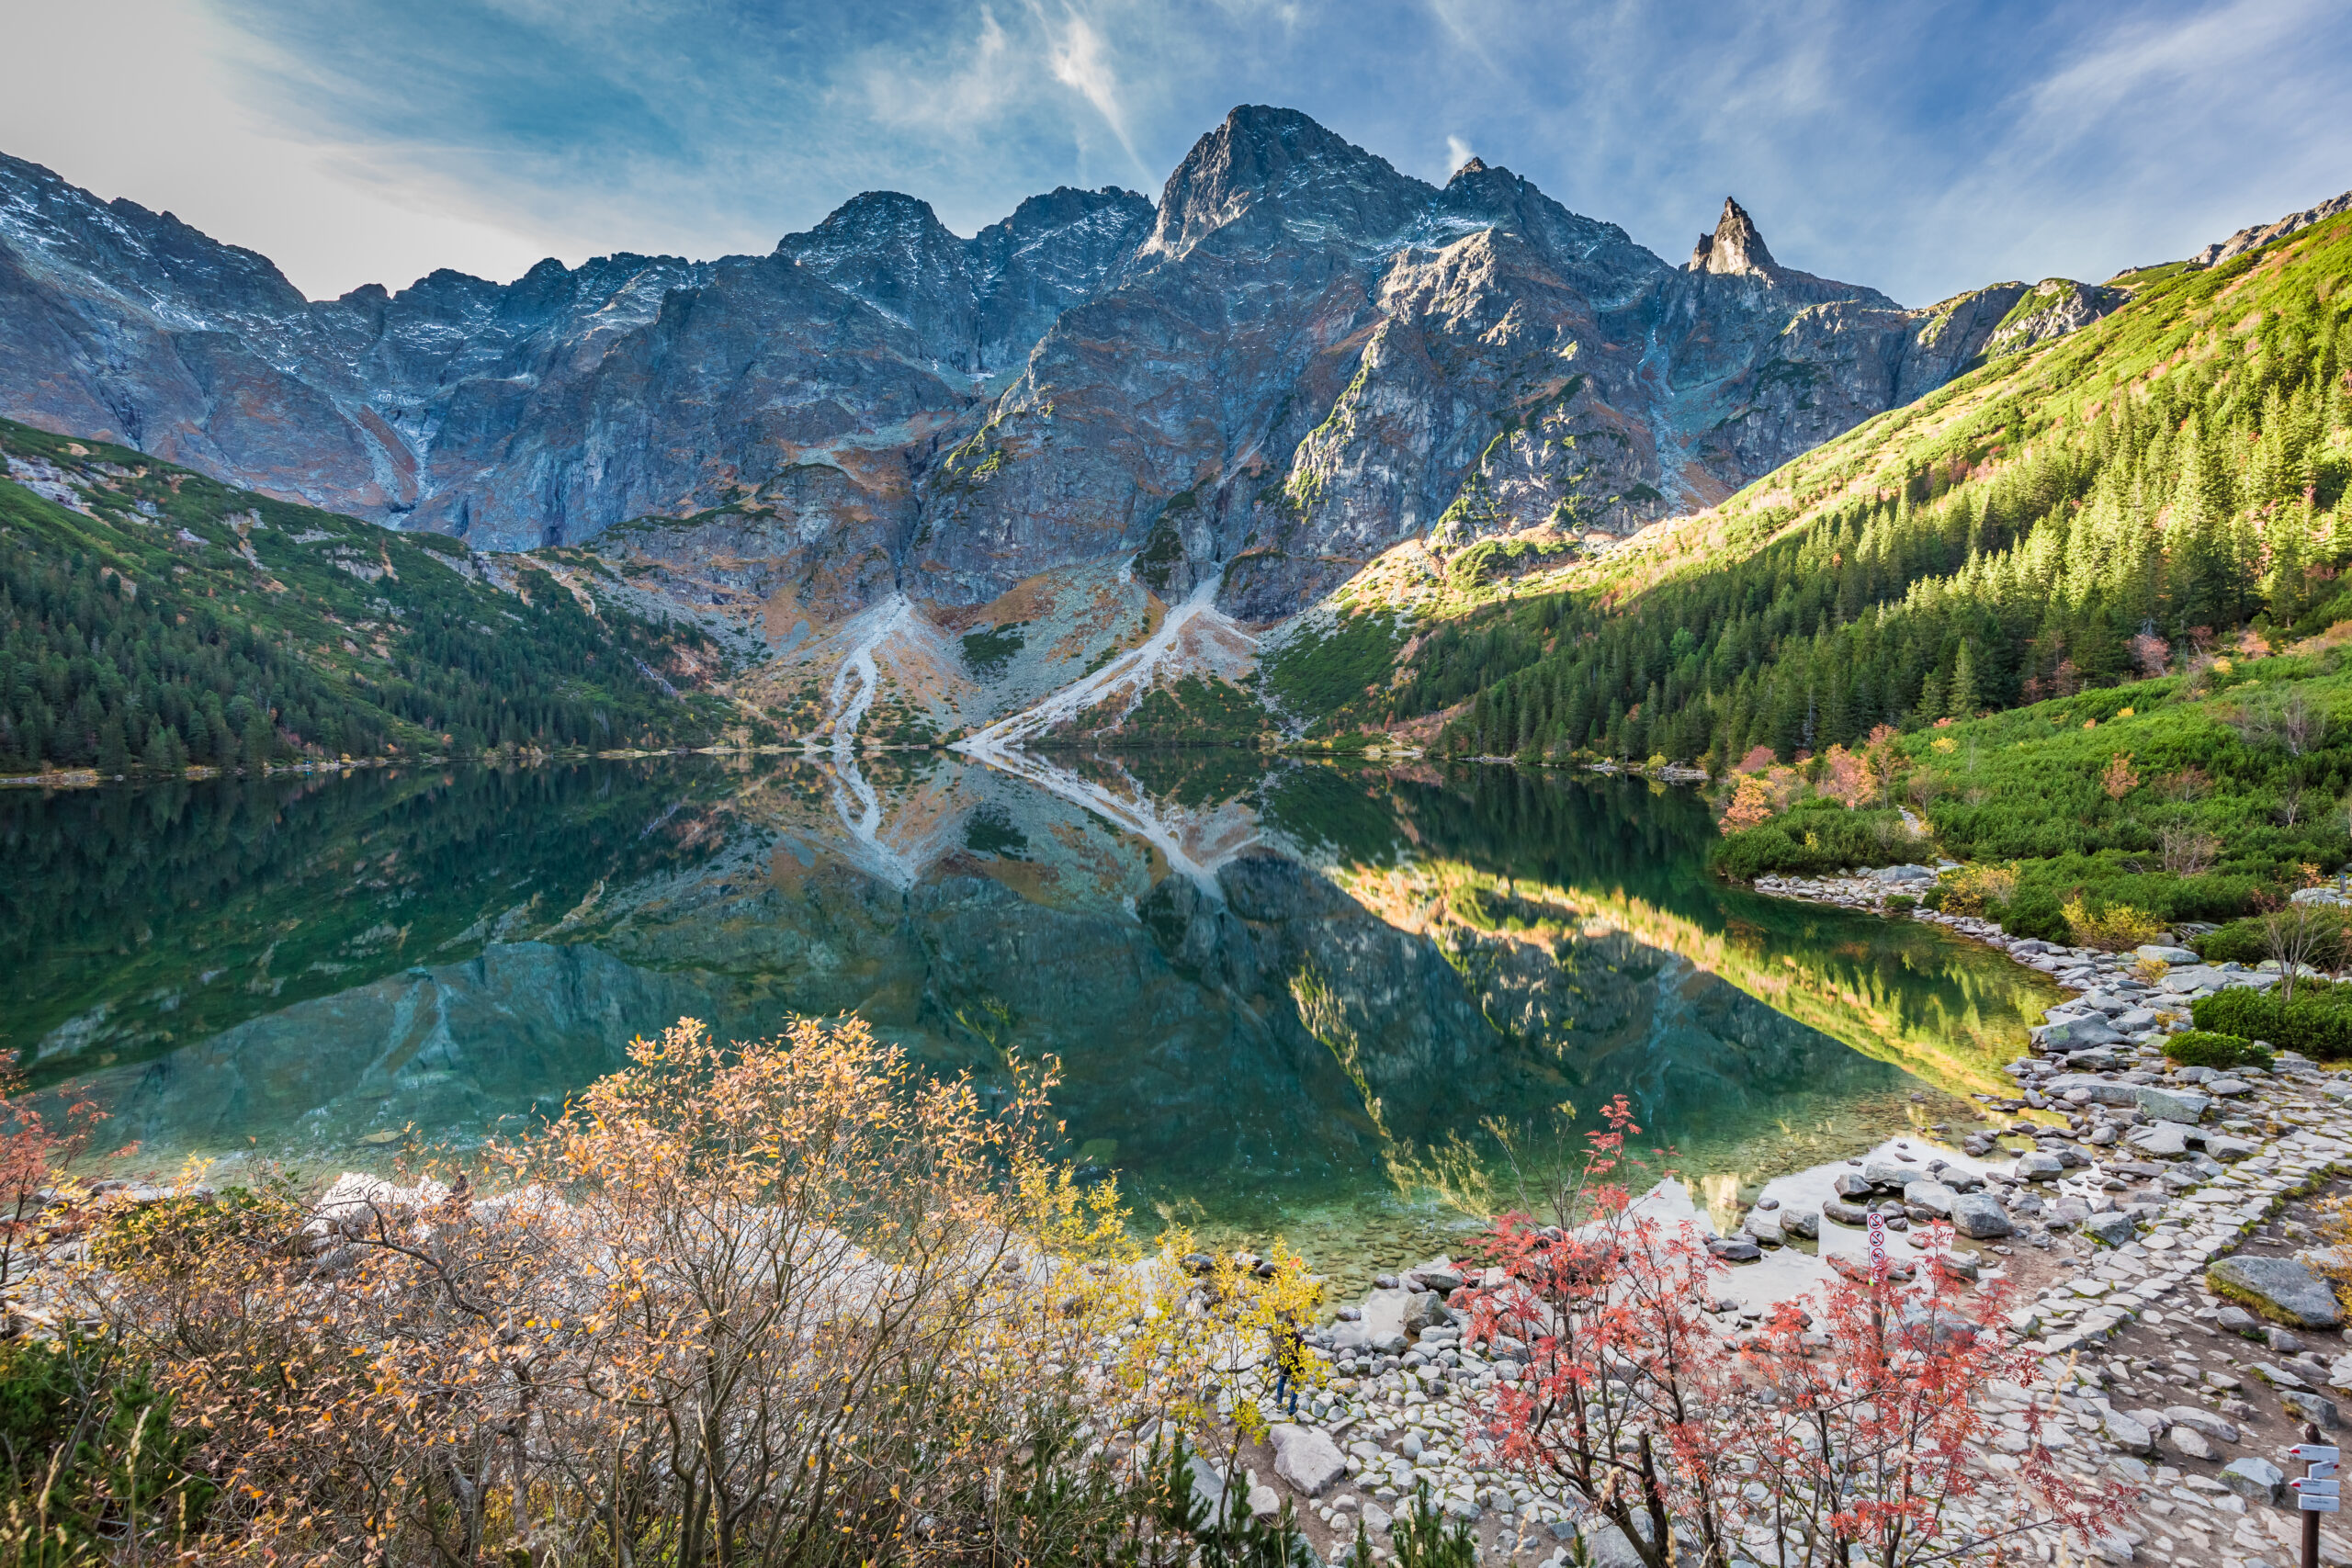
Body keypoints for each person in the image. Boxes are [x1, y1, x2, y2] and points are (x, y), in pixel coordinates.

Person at [1270, 1312, 1306, 1419]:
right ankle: (1291, 1410)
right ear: (1294, 1325)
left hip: (1285, 1363)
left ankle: (1278, 1404)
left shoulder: (1281, 1335)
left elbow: (1277, 1349)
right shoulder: (1299, 1337)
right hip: (1296, 1364)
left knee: (1282, 1381)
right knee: (1295, 1386)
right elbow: (1304, 1349)